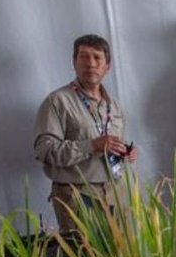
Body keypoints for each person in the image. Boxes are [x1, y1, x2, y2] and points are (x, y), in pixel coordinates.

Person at [34, 34, 138, 235]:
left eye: (97, 57)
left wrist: (126, 153)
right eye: (83, 56)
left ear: (107, 66)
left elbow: (110, 144)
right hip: (78, 196)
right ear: (74, 63)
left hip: (116, 193)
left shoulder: (114, 104)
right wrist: (92, 145)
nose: (90, 63)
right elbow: (44, 150)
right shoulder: (57, 101)